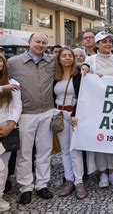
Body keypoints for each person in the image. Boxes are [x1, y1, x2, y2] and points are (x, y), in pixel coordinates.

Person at [7, 33, 55, 204]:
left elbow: (71, 65)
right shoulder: (14, 62)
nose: (40, 45)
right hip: (26, 114)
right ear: (29, 43)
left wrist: (85, 65)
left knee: (45, 150)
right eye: (37, 41)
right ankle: (25, 187)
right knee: (25, 153)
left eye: (44, 42)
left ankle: (42, 184)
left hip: (47, 112)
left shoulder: (52, 60)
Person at [84, 31, 113, 189]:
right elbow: (86, 81)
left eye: (109, 41)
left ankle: (112, 170)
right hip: (96, 107)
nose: (108, 44)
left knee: (111, 139)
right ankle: (102, 173)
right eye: (104, 41)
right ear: (97, 44)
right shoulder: (90, 60)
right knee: (99, 139)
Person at [53, 48, 87, 199]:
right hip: (58, 114)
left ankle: (79, 182)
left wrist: (75, 114)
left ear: (74, 59)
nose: (67, 58)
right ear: (59, 58)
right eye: (64, 56)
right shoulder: (55, 75)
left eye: (70, 56)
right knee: (65, 150)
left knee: (75, 150)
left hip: (73, 115)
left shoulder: (79, 75)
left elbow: (83, 97)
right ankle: (69, 180)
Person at [0, 53, 21, 211]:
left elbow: (17, 106)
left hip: (6, 128)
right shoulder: (5, 86)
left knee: (4, 165)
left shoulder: (12, 83)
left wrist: (11, 125)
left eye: (0, 60)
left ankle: (0, 196)